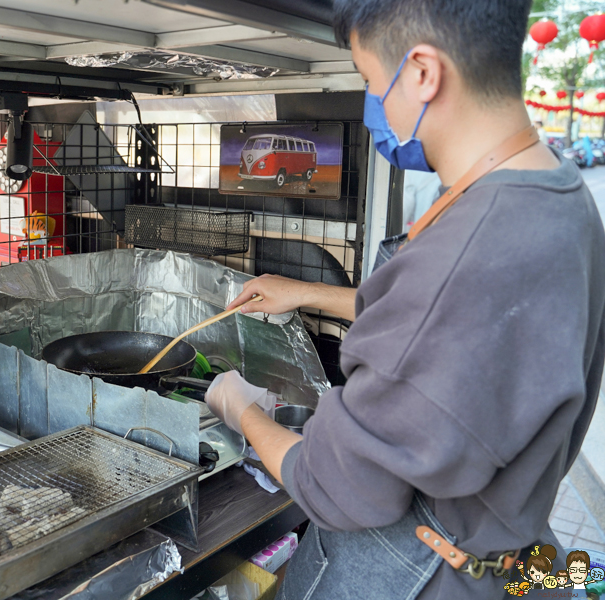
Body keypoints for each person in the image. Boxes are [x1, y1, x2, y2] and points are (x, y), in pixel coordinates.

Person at [204, 2, 605, 600]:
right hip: (505, 554)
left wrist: (239, 408)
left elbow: (335, 485)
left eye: (369, 80)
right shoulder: (555, 193)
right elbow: (448, 337)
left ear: (421, 71)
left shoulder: (472, 249)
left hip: (417, 574)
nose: (374, 104)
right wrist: (306, 293)